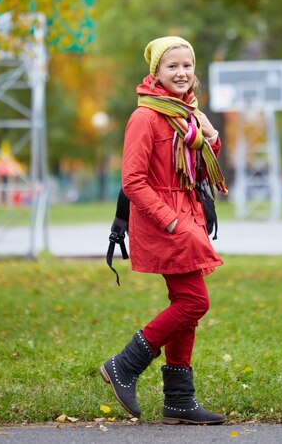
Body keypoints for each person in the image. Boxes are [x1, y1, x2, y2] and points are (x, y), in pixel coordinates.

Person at [100, 36, 228, 425]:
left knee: (185, 305)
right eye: (172, 66)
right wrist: (171, 221)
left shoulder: (186, 114)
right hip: (166, 221)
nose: (182, 73)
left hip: (188, 215)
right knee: (194, 303)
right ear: (156, 72)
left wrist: (211, 137)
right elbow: (133, 181)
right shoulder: (145, 117)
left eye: (187, 66)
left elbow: (199, 169)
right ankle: (124, 363)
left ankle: (178, 400)